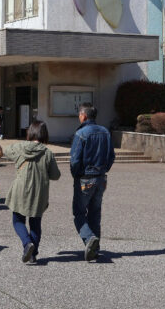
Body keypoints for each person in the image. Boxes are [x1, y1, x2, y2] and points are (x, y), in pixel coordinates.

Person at [4, 121, 61, 264]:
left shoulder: (20, 147)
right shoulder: (47, 153)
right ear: (45, 134)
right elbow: (56, 175)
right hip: (39, 192)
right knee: (35, 223)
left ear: (30, 132)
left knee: (17, 220)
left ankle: (26, 243)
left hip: (20, 190)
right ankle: (33, 254)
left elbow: (6, 151)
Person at [70, 103, 115, 262]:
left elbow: (75, 159)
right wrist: (103, 169)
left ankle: (89, 239)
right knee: (95, 213)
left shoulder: (81, 133)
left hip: (85, 178)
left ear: (83, 115)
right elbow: (111, 156)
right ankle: (95, 249)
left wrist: (76, 174)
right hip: (101, 177)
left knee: (79, 212)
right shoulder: (105, 132)